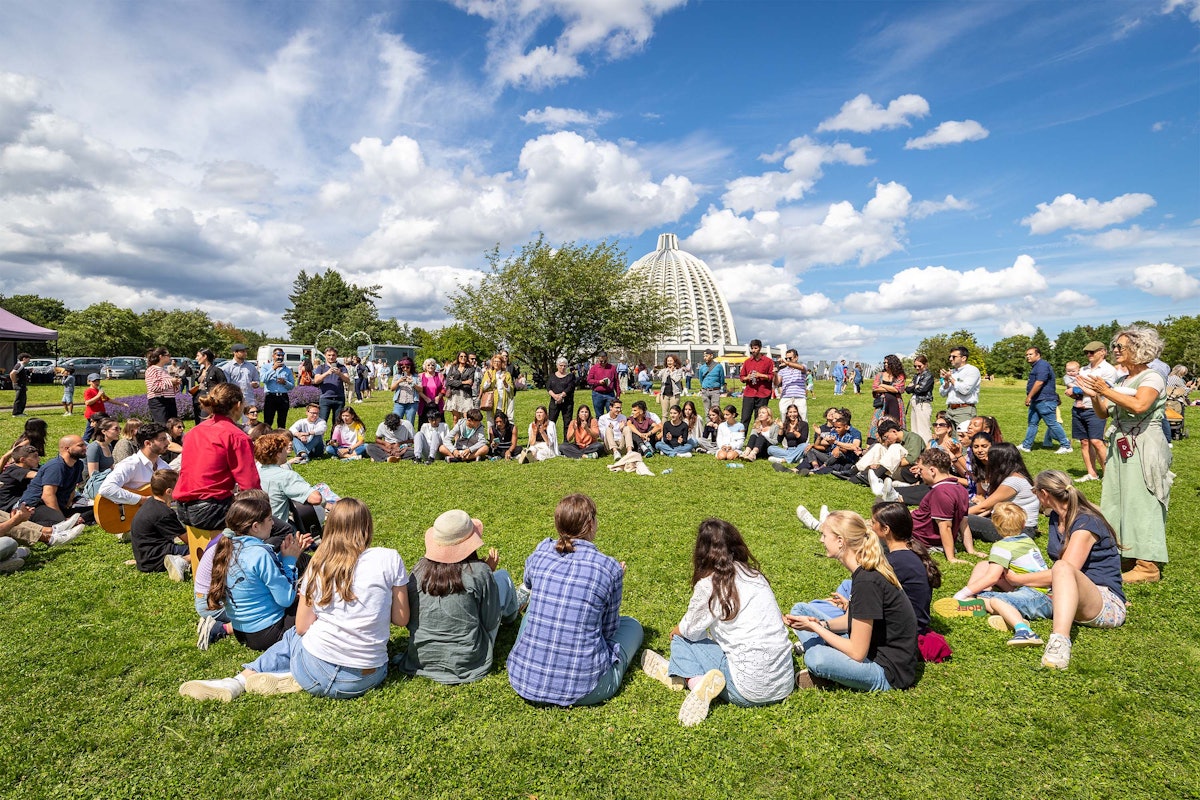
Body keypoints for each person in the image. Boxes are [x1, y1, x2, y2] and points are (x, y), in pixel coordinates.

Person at [181, 498, 407, 700]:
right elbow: (400, 619)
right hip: (370, 676)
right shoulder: (389, 557)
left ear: (330, 528)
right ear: (368, 526)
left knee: (294, 635)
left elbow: (301, 627)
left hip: (313, 668)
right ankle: (291, 675)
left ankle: (241, 680)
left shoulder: (318, 564)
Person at [641, 518, 792, 726]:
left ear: (701, 552)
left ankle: (692, 681)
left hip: (747, 691)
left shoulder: (709, 584)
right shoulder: (755, 575)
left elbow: (689, 631)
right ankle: (680, 675)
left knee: (680, 639)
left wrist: (676, 631)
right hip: (784, 683)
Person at [507, 494, 643, 706]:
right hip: (586, 688)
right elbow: (607, 632)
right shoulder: (609, 568)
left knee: (535, 605)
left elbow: (528, 583)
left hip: (524, 679)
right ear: (590, 524)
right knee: (633, 627)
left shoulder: (541, 551)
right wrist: (613, 579)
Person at [1077, 326, 1173, 584]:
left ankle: (1148, 565)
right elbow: (1102, 413)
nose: (1116, 350)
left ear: (1138, 349)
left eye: (1121, 346)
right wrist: (1095, 394)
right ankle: (1128, 554)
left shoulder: (1151, 378)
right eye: (1115, 345)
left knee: (1143, 500)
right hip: (1121, 444)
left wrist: (1105, 390)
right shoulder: (1122, 380)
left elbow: (1140, 405)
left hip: (1144, 445)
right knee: (1118, 499)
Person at [785, 510, 919, 691]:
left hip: (886, 671)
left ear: (841, 541)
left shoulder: (867, 581)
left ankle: (830, 670)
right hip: (870, 646)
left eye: (824, 535)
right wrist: (821, 624)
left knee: (815, 658)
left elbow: (857, 653)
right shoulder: (864, 572)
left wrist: (815, 628)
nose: (821, 540)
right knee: (801, 610)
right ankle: (834, 666)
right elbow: (850, 622)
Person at [400, 510, 524, 684]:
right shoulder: (480, 572)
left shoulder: (418, 570)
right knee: (502, 577)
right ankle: (512, 614)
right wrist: (487, 575)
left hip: (420, 659)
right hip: (469, 663)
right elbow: (490, 622)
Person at [196, 492, 312, 654]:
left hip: (242, 632)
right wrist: (290, 561)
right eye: (270, 519)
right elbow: (286, 599)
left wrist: (285, 556)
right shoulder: (260, 552)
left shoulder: (227, 548)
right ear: (255, 526)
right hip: (268, 633)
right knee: (314, 601)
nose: (273, 524)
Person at [934, 501, 1051, 646]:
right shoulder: (1026, 540)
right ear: (1023, 524)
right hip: (1040, 591)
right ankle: (977, 601)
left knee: (997, 601)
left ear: (995, 525)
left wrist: (962, 592)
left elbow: (992, 577)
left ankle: (1024, 630)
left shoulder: (1002, 546)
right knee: (984, 564)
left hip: (1036, 598)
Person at [173, 383, 260, 532]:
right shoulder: (236, 436)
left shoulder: (194, 432)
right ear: (238, 405)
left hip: (182, 508)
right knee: (276, 528)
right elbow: (250, 485)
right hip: (211, 510)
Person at [0, 445, 86, 547]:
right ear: (23, 459)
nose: (39, 459)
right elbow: (39, 475)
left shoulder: (34, 467)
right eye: (35, 457)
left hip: (26, 502)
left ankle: (53, 529)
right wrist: (56, 471)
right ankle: (52, 531)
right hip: (11, 506)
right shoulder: (13, 469)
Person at [963, 442, 1039, 552]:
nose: (987, 459)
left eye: (990, 456)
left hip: (1017, 531)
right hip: (1008, 522)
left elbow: (983, 507)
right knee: (964, 506)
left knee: (963, 517)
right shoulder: (1016, 475)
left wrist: (957, 514)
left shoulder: (1013, 482)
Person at [908, 448, 970, 564]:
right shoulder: (961, 489)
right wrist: (971, 550)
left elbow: (945, 526)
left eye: (921, 469)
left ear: (932, 470)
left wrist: (951, 558)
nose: (919, 473)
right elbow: (964, 523)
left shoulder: (940, 492)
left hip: (917, 536)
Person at [130, 469, 192, 580]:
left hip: (145, 558)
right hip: (155, 560)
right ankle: (181, 561)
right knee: (204, 549)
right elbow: (189, 540)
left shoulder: (150, 503)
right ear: (168, 491)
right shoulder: (164, 513)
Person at [20, 435, 94, 528]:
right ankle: (63, 522)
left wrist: (68, 506)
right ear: (67, 448)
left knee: (97, 510)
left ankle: (71, 521)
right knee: (58, 521)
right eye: (80, 445)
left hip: (58, 506)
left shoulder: (78, 464)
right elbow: (47, 495)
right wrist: (61, 518)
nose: (85, 447)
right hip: (35, 507)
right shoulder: (56, 466)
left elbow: (72, 489)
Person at [255, 433, 328, 524]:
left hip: (258, 525)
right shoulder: (285, 476)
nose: (287, 452)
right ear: (278, 454)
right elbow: (316, 498)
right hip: (277, 527)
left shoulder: (256, 471)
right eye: (284, 449)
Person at [1017, 347, 1071, 454]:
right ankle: (1026, 445)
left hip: (1045, 400)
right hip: (1037, 400)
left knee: (1052, 423)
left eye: (1030, 354)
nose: (1028, 357)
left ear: (1038, 355)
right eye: (1026, 355)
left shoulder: (1042, 365)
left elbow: (1039, 382)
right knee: (1032, 423)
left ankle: (1066, 446)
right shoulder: (1036, 366)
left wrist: (1029, 396)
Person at [939, 346, 981, 428]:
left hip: (964, 410)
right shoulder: (952, 372)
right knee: (951, 439)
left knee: (963, 437)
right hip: (950, 410)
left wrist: (951, 378)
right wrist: (947, 381)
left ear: (963, 358)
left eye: (953, 357)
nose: (950, 359)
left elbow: (965, 390)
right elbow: (942, 393)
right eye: (950, 356)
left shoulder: (972, 370)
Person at [738, 340, 774, 428]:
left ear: (760, 348)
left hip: (763, 393)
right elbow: (742, 377)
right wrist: (747, 377)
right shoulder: (747, 362)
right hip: (749, 393)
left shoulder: (768, 361)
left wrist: (760, 375)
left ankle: (757, 439)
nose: (754, 350)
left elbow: (771, 376)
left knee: (760, 419)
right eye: (752, 348)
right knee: (745, 418)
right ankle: (741, 439)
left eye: (756, 348)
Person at [869, 355, 906, 442]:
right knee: (879, 421)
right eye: (884, 362)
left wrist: (882, 385)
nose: (885, 364)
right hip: (882, 404)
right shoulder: (880, 375)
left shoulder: (899, 376)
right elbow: (875, 388)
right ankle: (877, 440)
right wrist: (890, 388)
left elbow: (898, 389)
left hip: (895, 404)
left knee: (895, 422)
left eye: (887, 362)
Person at [82, 419, 120, 500]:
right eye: (116, 429)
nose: (119, 431)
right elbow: (93, 475)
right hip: (95, 487)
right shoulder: (94, 448)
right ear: (104, 431)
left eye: (119, 429)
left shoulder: (108, 445)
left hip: (107, 482)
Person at [314, 348, 350, 430]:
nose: (331, 357)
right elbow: (316, 381)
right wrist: (327, 373)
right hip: (325, 398)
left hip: (339, 398)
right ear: (325, 356)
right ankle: (319, 441)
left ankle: (334, 440)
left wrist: (340, 373)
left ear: (336, 356)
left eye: (333, 355)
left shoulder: (342, 367)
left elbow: (347, 380)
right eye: (329, 355)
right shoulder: (321, 367)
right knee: (322, 422)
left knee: (337, 423)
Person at [261, 348, 296, 429]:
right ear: (273, 356)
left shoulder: (287, 370)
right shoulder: (265, 367)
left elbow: (292, 386)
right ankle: (266, 439)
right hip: (270, 396)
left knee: (282, 421)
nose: (280, 357)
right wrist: (273, 368)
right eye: (278, 355)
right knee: (268, 421)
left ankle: (280, 439)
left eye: (282, 355)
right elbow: (263, 380)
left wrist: (285, 382)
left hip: (283, 397)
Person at [191, 348, 226, 422]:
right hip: (199, 402)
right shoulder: (202, 370)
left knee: (205, 423)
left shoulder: (216, 370)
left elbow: (223, 387)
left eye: (198, 356)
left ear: (205, 356)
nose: (196, 358)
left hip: (209, 403)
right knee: (198, 424)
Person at [905, 355, 934, 443]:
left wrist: (913, 387)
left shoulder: (928, 375)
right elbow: (907, 389)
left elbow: (922, 389)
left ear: (925, 365)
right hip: (914, 403)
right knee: (915, 430)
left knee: (924, 430)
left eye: (919, 366)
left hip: (923, 403)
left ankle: (927, 451)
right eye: (915, 366)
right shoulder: (916, 376)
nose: (917, 368)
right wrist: (915, 386)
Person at [775, 349, 809, 422]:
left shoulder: (802, 366)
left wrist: (787, 363)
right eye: (786, 358)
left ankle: (804, 433)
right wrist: (775, 373)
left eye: (790, 358)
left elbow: (802, 368)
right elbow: (776, 383)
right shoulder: (782, 371)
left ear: (796, 357)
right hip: (785, 397)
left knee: (803, 419)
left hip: (799, 397)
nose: (788, 360)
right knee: (784, 418)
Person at [444, 351, 476, 427]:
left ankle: (466, 436)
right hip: (454, 395)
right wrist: (464, 382)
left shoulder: (471, 369)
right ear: (458, 358)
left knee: (467, 417)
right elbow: (448, 382)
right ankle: (456, 438)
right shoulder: (453, 367)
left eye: (465, 356)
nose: (463, 358)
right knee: (456, 418)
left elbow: (470, 383)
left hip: (466, 395)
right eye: (461, 356)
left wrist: (455, 382)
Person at [546, 357, 576, 435]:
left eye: (564, 366)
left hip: (567, 403)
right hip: (554, 402)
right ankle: (550, 440)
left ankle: (566, 442)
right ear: (557, 366)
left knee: (567, 423)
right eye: (561, 365)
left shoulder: (570, 376)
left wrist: (561, 396)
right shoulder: (552, 376)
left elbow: (571, 387)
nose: (562, 367)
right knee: (551, 422)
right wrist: (555, 396)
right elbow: (548, 387)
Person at [480, 354, 514, 423]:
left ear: (502, 363)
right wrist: (489, 381)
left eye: (498, 362)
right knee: (491, 422)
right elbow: (483, 388)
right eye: (495, 361)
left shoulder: (506, 374)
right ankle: (491, 434)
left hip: (502, 402)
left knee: (503, 422)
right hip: (491, 401)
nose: (496, 363)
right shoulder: (488, 373)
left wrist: (504, 382)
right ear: (492, 363)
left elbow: (511, 390)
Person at [587, 351, 621, 417]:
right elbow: (589, 380)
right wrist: (599, 382)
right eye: (601, 360)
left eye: (604, 359)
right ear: (598, 359)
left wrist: (618, 393)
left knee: (612, 414)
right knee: (599, 415)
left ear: (607, 358)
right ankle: (600, 426)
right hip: (597, 394)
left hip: (610, 394)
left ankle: (612, 427)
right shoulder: (594, 368)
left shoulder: (612, 368)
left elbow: (616, 382)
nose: (602, 361)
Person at [389, 358, 420, 427]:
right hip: (399, 402)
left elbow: (420, 390)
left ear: (411, 367)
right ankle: (397, 437)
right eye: (403, 367)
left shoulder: (416, 376)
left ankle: (409, 437)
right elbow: (392, 389)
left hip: (412, 403)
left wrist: (412, 383)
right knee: (395, 422)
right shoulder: (397, 376)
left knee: (410, 424)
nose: (405, 369)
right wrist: (398, 381)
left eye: (407, 367)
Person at [696, 349, 726, 415]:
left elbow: (722, 379)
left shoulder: (719, 366)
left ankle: (716, 424)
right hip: (705, 391)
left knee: (715, 410)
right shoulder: (702, 367)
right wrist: (704, 386)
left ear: (711, 356)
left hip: (715, 391)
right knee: (707, 411)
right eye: (704, 356)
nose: (705, 358)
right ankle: (708, 424)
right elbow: (701, 379)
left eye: (706, 356)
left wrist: (719, 387)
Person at [9, 353, 32, 417]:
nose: (29, 361)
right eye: (28, 359)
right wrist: (15, 382)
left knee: (23, 399)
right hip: (19, 385)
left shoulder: (21, 366)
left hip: (22, 385)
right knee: (19, 399)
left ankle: (20, 412)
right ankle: (16, 413)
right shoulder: (20, 365)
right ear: (24, 359)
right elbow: (12, 374)